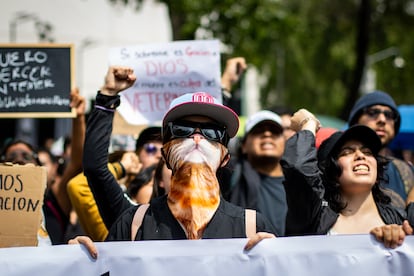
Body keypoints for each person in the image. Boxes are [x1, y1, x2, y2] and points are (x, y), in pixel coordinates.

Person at [69, 66, 276, 258]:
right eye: (182, 130)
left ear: (225, 158)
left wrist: (276, 263)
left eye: (213, 133)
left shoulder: (251, 227)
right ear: (165, 155)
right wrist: (79, 265)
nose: (197, 137)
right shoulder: (134, 223)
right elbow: (95, 170)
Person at [281, 108, 414, 248]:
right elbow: (298, 167)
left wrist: (403, 237)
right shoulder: (314, 217)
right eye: (347, 152)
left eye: (367, 152)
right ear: (330, 171)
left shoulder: (402, 220)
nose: (360, 155)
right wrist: (308, 124)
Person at [0, 88, 86, 245]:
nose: (19, 160)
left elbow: (77, 162)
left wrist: (78, 117)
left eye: (26, 157)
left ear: (39, 167)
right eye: (11, 157)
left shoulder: (54, 201)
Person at [223, 110, 287, 236]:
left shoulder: (298, 183)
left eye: (275, 132)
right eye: (258, 131)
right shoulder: (231, 172)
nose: (267, 134)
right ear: (244, 146)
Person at [348, 90, 414, 204]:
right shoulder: (337, 166)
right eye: (373, 112)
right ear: (356, 121)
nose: (382, 120)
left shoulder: (406, 172)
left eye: (389, 115)